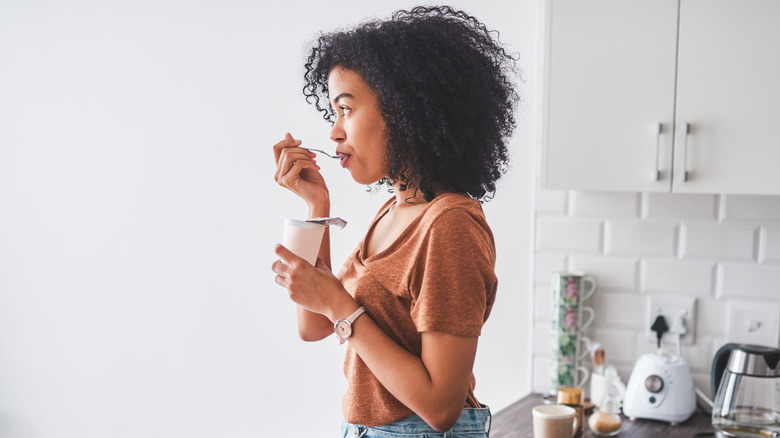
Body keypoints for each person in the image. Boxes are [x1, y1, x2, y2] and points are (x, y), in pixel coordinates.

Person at [271, 5, 519, 437]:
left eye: (345, 108)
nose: (333, 131)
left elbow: (441, 407)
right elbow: (313, 325)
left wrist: (338, 304)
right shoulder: (393, 210)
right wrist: (317, 206)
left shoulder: (450, 225)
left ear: (404, 110)